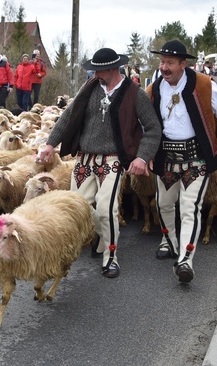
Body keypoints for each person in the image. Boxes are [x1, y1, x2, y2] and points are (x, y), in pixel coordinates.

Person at [38, 48, 162, 278]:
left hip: (113, 160)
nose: (95, 73)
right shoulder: (89, 88)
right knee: (79, 209)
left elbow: (153, 129)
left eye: (99, 69)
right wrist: (50, 143)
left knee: (106, 210)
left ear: (113, 69)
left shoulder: (135, 93)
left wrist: (142, 157)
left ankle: (111, 256)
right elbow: (68, 116)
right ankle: (102, 236)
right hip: (85, 158)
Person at [146, 40, 217, 284]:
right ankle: (169, 240)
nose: (164, 67)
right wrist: (143, 153)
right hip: (165, 156)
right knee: (164, 204)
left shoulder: (203, 84)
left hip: (196, 156)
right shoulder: (154, 88)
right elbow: (143, 123)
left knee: (190, 207)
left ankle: (185, 259)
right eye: (162, 62)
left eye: (169, 62)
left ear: (182, 64)